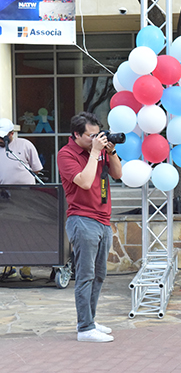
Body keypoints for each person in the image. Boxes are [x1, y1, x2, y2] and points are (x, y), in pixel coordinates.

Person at [57, 112, 122, 343]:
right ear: (76, 134)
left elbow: (118, 174)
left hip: (103, 219)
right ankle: (84, 328)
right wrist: (95, 152)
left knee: (99, 275)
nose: (96, 139)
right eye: (90, 135)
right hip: (82, 219)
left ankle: (90, 320)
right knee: (85, 276)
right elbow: (84, 182)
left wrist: (110, 151)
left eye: (98, 135)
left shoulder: (100, 150)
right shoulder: (66, 154)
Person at [0, 118, 43, 282]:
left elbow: (36, 169)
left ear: (12, 134)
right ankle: (8, 265)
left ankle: (26, 267)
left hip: (26, 196)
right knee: (8, 230)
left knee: (26, 231)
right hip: (4, 195)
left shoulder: (25, 145)